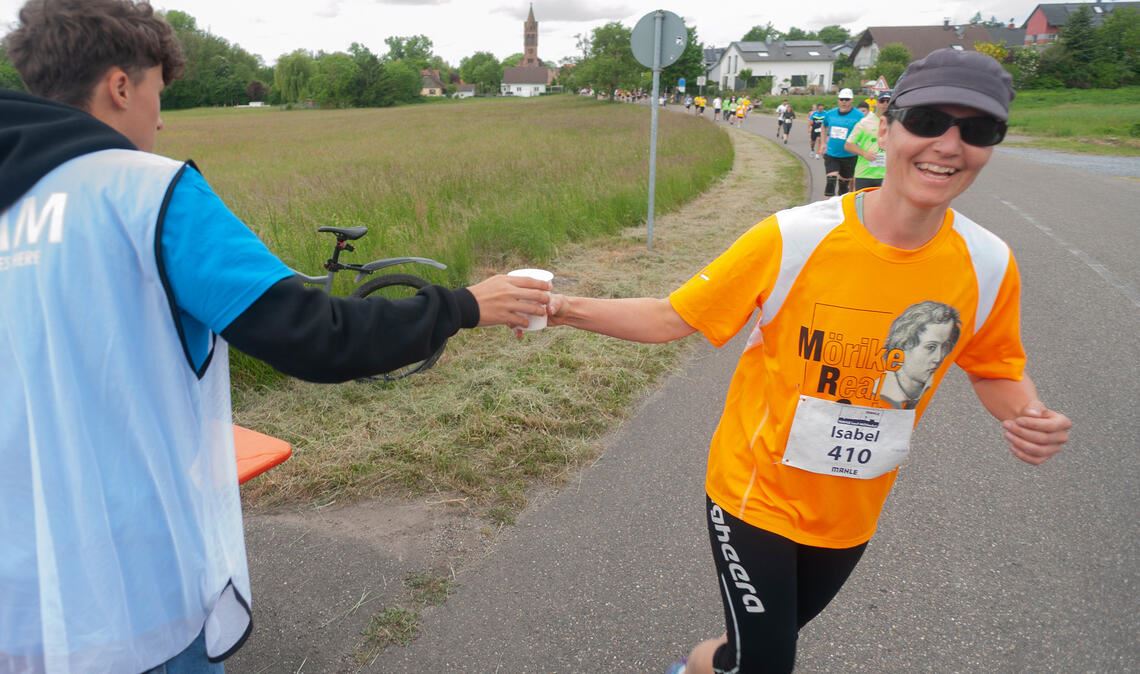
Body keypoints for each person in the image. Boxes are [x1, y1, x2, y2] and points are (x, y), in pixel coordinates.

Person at [0, 1, 552, 672]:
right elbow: (314, 335)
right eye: (156, 94)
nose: (160, 118)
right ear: (121, 86)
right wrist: (464, 305)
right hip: (132, 598)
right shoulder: (147, 192)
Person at [541, 48, 1071, 674]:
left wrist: (1027, 414)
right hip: (755, 491)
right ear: (885, 123)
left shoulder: (987, 263)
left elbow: (995, 367)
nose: (949, 145)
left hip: (851, 509)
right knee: (768, 663)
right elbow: (672, 317)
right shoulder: (795, 237)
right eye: (928, 121)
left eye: (977, 131)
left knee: (752, 650)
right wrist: (562, 306)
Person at [820, 87, 865, 196]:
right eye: (842, 99)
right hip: (832, 153)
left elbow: (865, 132)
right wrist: (822, 143)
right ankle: (828, 207)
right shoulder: (830, 114)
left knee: (844, 186)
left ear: (852, 100)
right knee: (831, 180)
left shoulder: (859, 116)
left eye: (847, 99)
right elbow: (823, 126)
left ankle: (841, 204)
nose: (844, 102)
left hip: (849, 155)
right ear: (838, 100)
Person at [845, 90, 892, 190]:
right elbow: (848, 145)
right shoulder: (865, 122)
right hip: (865, 174)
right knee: (862, 205)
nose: (885, 104)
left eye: (888, 101)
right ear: (877, 103)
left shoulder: (897, 123)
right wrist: (864, 153)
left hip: (887, 176)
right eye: (882, 101)